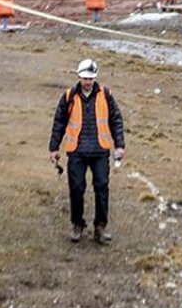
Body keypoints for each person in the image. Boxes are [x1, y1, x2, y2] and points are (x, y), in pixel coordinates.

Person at [49, 59, 126, 244]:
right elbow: (59, 122)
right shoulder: (69, 96)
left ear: (95, 78)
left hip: (100, 150)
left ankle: (100, 226)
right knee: (76, 189)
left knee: (101, 188)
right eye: (84, 78)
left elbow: (116, 120)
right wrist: (54, 148)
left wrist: (120, 145)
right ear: (79, 76)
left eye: (90, 78)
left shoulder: (105, 95)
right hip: (76, 151)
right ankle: (77, 224)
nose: (87, 82)